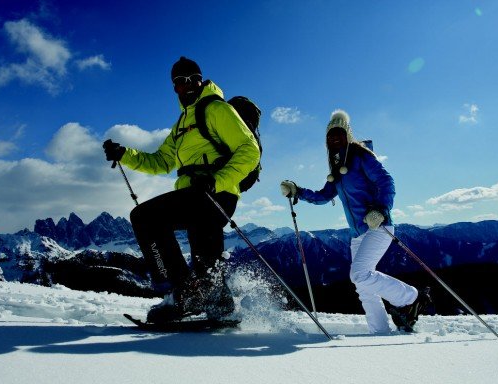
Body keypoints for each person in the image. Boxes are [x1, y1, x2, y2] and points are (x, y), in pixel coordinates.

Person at [103, 57, 260, 323]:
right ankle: (218, 304)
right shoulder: (181, 125)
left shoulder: (216, 109)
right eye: (179, 82)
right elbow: (161, 161)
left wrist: (216, 181)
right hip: (195, 196)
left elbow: (250, 151)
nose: (186, 86)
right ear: (174, 87)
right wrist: (124, 154)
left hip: (214, 194)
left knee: (144, 217)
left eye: (192, 80)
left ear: (201, 81)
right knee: (206, 265)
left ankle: (180, 293)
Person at [280, 109, 430, 334]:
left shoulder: (361, 157)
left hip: (378, 225)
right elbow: (324, 196)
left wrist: (380, 209)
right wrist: (298, 191)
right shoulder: (337, 166)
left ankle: (410, 298)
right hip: (358, 233)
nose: (334, 138)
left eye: (339, 133)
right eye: (330, 135)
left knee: (359, 274)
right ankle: (379, 332)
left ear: (348, 134)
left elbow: (386, 181)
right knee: (363, 285)